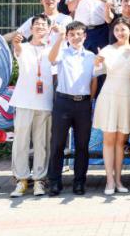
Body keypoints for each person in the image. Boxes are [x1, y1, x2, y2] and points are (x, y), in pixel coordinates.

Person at [46, 22, 98, 196]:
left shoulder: (91, 56)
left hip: (83, 104)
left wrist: (89, 101)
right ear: (68, 36)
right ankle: (54, 182)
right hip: (63, 102)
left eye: (79, 34)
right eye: (72, 34)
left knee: (82, 145)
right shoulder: (62, 52)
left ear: (85, 36)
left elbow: (94, 80)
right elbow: (51, 59)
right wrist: (60, 38)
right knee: (57, 144)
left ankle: (79, 182)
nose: (76, 37)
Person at [8, 15, 55, 197]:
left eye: (43, 24)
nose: (40, 27)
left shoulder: (53, 49)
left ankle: (39, 180)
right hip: (24, 101)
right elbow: (18, 50)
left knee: (41, 142)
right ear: (31, 28)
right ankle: (21, 179)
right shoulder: (24, 47)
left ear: (48, 29)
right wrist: (16, 43)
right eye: (36, 24)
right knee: (21, 141)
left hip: (44, 102)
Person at [92, 17, 130, 195]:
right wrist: (97, 62)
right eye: (117, 29)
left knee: (121, 142)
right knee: (109, 140)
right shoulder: (107, 50)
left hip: (126, 97)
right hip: (109, 95)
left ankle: (118, 180)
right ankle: (109, 181)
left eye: (123, 29)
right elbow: (97, 71)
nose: (120, 32)